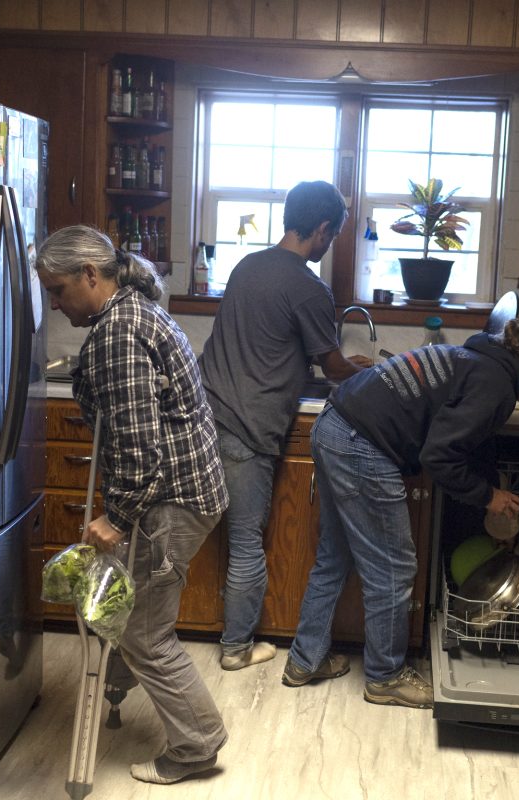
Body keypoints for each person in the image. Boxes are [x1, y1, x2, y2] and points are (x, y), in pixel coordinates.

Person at [283, 318, 519, 708]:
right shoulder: (495, 385)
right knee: (394, 567)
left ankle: (304, 661)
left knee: (335, 557)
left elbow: (474, 443)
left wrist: (491, 495)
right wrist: (488, 497)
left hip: (335, 424)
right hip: (361, 444)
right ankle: (385, 678)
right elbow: (439, 457)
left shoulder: (482, 358)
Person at [36, 225, 228, 785]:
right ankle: (118, 694)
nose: (53, 303)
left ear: (90, 276)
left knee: (145, 633)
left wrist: (116, 518)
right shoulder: (132, 311)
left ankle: (196, 746)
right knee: (132, 610)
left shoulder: (119, 334)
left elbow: (141, 451)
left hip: (168, 501)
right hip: (183, 492)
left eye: (58, 290)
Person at [199, 180, 370, 672]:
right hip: (248, 430)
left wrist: (338, 360)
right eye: (332, 235)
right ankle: (235, 648)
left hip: (206, 413)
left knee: (200, 534)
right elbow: (334, 369)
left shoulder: (248, 265)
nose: (330, 244)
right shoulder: (309, 288)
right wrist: (367, 368)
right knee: (247, 539)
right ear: (320, 229)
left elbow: (274, 344)